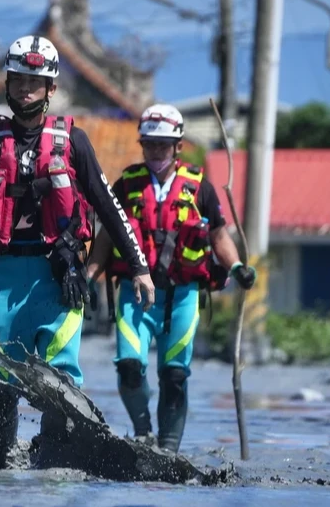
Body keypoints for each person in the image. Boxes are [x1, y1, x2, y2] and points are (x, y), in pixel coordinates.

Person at [0, 35, 154, 470]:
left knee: (59, 379)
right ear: (7, 83)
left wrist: (139, 268)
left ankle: (54, 461)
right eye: (18, 80)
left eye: (35, 82)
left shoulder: (73, 142)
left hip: (59, 280)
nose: (25, 89)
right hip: (4, 278)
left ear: (50, 89)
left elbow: (107, 205)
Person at [84, 103, 256, 454]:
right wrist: (89, 275)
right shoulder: (127, 185)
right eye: (150, 144)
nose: (156, 151)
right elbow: (105, 238)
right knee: (130, 365)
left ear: (178, 146)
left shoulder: (200, 189)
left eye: (164, 145)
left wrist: (237, 268)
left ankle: (168, 447)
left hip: (182, 297)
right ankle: (143, 431)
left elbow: (219, 237)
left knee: (174, 376)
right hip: (135, 295)